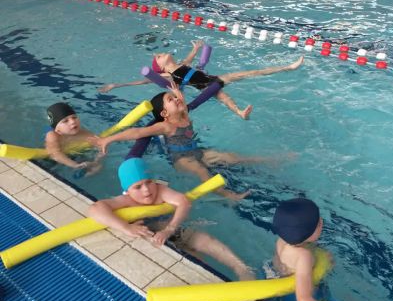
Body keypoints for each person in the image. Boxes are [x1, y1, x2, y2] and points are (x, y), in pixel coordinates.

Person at [88, 157, 255, 280]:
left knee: (207, 241)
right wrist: (126, 227)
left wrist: (170, 228)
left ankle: (242, 269)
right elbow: (95, 209)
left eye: (149, 182)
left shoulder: (160, 190)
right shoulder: (126, 200)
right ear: (127, 190)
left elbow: (183, 202)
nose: (146, 190)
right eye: (138, 187)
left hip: (173, 229)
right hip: (152, 237)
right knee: (196, 263)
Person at [91, 83, 264, 200]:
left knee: (232, 157)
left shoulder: (183, 115)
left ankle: (264, 161)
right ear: (164, 114)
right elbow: (137, 131)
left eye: (174, 97)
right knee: (203, 173)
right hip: (182, 159)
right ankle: (230, 196)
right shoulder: (166, 126)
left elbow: (181, 101)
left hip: (197, 151)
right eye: (170, 100)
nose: (176, 99)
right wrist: (109, 139)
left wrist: (177, 94)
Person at [98, 40, 305, 120]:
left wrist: (195, 49)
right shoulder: (166, 75)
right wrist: (117, 85)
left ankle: (287, 67)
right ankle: (240, 112)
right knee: (224, 97)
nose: (161, 53)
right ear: (159, 67)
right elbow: (143, 81)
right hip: (205, 86)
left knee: (249, 72)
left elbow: (189, 60)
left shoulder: (179, 64)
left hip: (212, 77)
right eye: (159, 57)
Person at [272, 198, 326, 301]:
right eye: (319, 223)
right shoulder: (303, 256)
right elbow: (303, 300)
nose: (322, 221)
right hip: (293, 295)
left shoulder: (282, 240)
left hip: (276, 280)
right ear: (309, 234)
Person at [44, 102, 103, 175]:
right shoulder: (52, 135)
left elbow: (101, 145)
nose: (72, 122)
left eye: (74, 117)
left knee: (90, 164)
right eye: (65, 121)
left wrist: (97, 162)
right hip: (52, 159)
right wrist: (75, 165)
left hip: (75, 154)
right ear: (57, 129)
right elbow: (55, 154)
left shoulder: (83, 133)